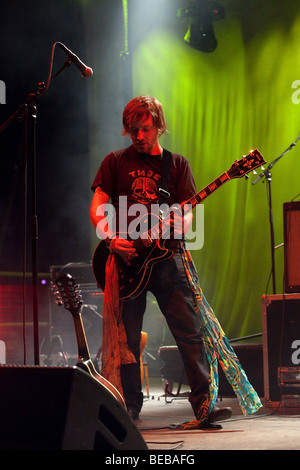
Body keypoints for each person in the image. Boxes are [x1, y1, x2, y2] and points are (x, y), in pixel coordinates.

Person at [90, 95, 262, 427]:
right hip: (126, 260)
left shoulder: (177, 164)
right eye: (132, 130)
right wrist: (110, 238)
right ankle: (129, 409)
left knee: (190, 331)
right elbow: (98, 205)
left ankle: (204, 406)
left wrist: (176, 222)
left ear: (159, 125)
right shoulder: (115, 161)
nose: (139, 136)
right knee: (127, 338)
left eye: (145, 128)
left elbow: (187, 215)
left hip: (169, 260)